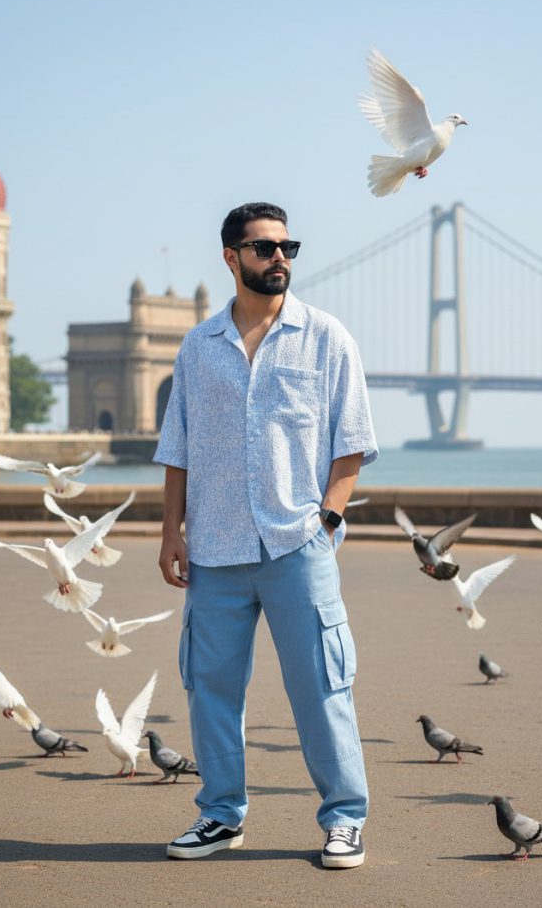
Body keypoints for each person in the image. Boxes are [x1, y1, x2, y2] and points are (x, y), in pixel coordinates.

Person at [155, 202, 378, 868]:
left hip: (296, 547)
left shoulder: (328, 338)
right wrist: (171, 530)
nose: (280, 258)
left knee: (323, 689)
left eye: (287, 246)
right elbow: (179, 446)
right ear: (232, 257)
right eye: (263, 248)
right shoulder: (197, 348)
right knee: (211, 690)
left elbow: (353, 442)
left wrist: (328, 520)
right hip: (216, 549)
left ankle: (345, 818)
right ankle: (221, 815)